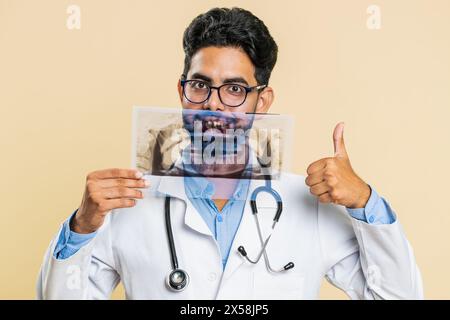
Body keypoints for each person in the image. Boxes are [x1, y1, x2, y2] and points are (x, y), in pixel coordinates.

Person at [37, 7, 423, 299]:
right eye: (201, 85)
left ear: (263, 100)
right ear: (182, 91)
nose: (214, 105)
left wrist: (365, 202)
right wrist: (82, 227)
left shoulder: (308, 204)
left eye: (235, 89)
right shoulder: (127, 202)